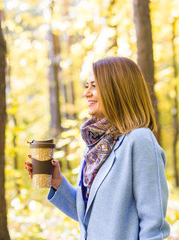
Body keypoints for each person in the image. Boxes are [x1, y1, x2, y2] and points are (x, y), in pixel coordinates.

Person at [25, 56, 170, 239]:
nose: (87, 93)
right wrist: (57, 182)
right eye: (87, 86)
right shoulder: (95, 146)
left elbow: (153, 225)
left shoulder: (139, 140)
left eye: (94, 86)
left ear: (116, 89)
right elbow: (88, 217)